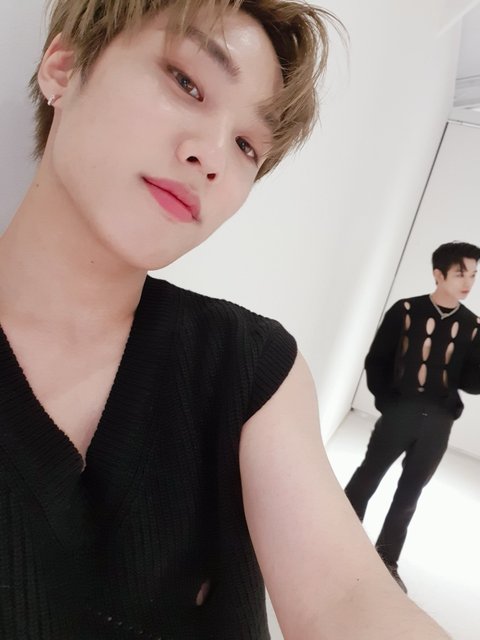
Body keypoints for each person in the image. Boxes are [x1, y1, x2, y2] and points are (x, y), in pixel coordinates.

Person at [0, 1, 450, 638]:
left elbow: (343, 597)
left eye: (246, 146)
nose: (212, 157)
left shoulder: (249, 365)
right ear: (64, 67)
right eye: (186, 82)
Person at [345, 241, 480, 593]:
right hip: (399, 412)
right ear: (439, 274)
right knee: (367, 477)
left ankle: (387, 561)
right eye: (461, 274)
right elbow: (377, 360)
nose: (468, 282)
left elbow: (471, 383)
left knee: (410, 492)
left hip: (438, 422)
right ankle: (337, 539)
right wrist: (388, 404)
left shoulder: (473, 326)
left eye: (473, 274)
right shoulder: (405, 311)